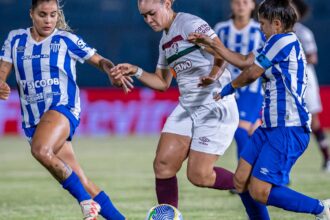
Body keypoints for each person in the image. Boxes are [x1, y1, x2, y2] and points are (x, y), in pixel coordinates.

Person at [188, 0, 330, 219]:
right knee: (241, 181)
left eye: (262, 24)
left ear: (276, 24)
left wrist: (230, 87)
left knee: (260, 191)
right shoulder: (273, 42)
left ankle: (321, 209)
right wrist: (211, 44)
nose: (260, 28)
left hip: (288, 128)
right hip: (270, 126)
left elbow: (252, 72)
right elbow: (243, 60)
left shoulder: (283, 40)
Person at [0, 0, 132, 219]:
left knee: (41, 150)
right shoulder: (15, 39)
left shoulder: (65, 40)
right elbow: (3, 70)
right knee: (81, 179)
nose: (48, 20)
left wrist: (110, 70)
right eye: (43, 14)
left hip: (63, 107)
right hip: (33, 119)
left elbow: (100, 60)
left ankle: (85, 203)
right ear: (31, 13)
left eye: (53, 14)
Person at [111, 0, 242, 213]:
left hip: (214, 105)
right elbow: (162, 83)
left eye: (152, 13)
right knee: (163, 165)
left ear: (167, 3)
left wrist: (213, 75)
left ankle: (249, 183)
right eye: (144, 16)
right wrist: (135, 70)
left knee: (199, 175)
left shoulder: (190, 23)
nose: (148, 20)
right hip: (188, 107)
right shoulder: (165, 39)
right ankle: (169, 217)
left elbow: (221, 52)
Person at [214, 0, 264, 161]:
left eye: (245, 2)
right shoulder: (221, 29)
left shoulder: (260, 30)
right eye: (237, 2)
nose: (240, 5)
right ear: (231, 5)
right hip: (229, 87)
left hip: (253, 88)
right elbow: (215, 56)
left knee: (240, 130)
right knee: (254, 132)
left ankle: (244, 180)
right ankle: (267, 172)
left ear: (252, 6)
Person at [292, 0, 330, 172]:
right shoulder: (273, 31)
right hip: (285, 82)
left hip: (306, 80)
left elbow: (313, 58)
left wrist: (289, 59)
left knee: (313, 121)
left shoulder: (302, 32)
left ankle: (327, 156)